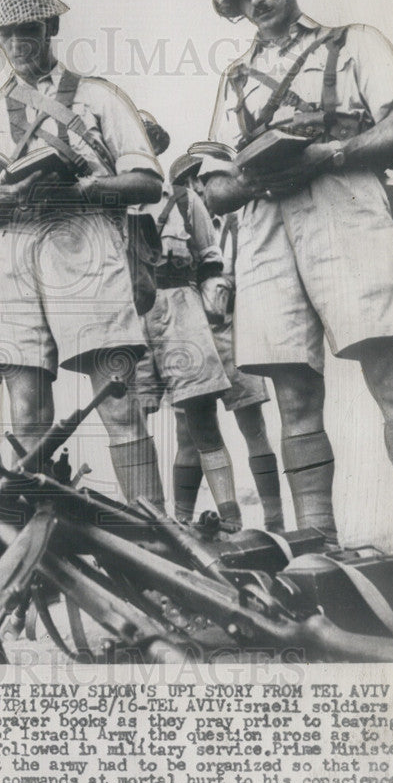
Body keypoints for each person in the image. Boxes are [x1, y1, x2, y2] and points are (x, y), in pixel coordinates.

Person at [202, 0, 393, 547]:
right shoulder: (235, 79)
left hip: (345, 208)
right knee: (292, 390)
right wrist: (257, 174)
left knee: (389, 372)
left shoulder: (354, 43)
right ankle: (315, 541)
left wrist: (330, 152)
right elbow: (215, 189)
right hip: (268, 226)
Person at [0, 0, 164, 507]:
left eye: (28, 29)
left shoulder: (97, 96)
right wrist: (3, 198)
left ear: (50, 27)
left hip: (84, 238)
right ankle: (41, 548)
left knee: (117, 399)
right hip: (12, 252)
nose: (18, 43)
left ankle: (156, 536)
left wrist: (89, 185)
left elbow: (147, 181)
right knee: (26, 413)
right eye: (6, 34)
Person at [133, 117, 243, 528]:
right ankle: (153, 528)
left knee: (201, 421)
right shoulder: (104, 205)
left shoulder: (181, 200)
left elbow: (210, 259)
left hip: (180, 309)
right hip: (128, 317)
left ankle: (231, 522)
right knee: (131, 421)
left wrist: (214, 305)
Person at [172, 142, 285, 532]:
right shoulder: (182, 222)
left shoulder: (242, 221)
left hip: (233, 333)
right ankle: (188, 524)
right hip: (189, 335)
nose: (200, 191)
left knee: (253, 428)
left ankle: (275, 522)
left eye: (203, 181)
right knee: (191, 435)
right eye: (193, 184)